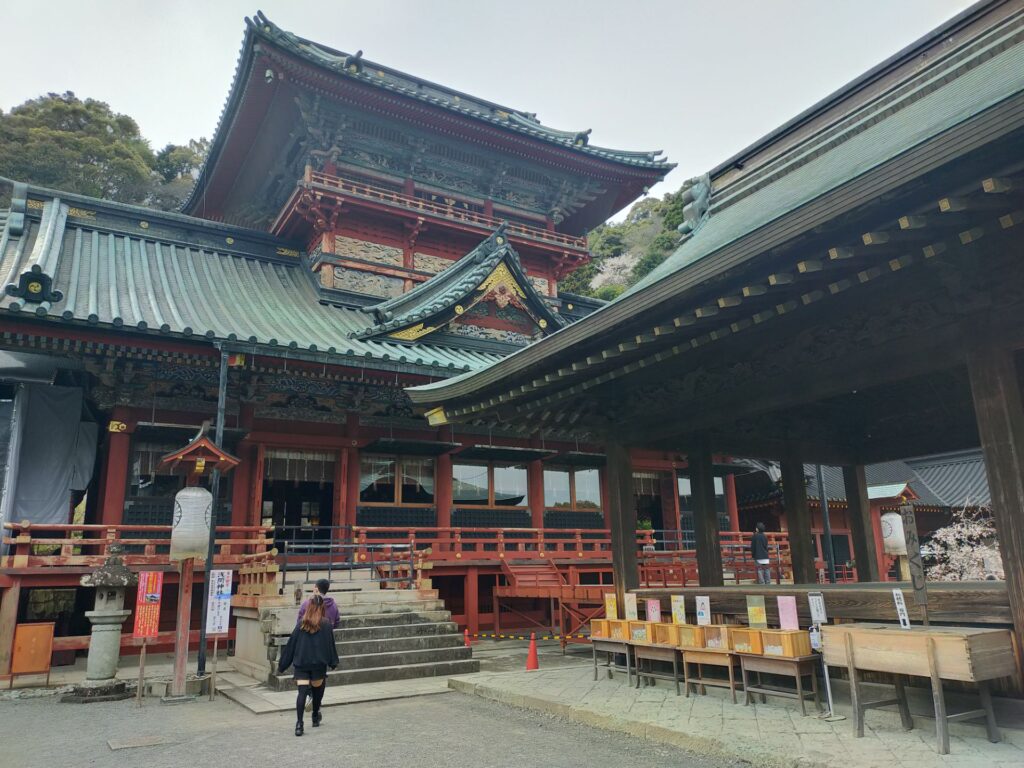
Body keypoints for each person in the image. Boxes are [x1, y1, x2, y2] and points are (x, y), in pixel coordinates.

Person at [278, 593, 339, 736]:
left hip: (302, 663)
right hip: (318, 664)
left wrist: (283, 665)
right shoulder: (326, 624)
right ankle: (315, 715)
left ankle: (299, 724)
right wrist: (333, 662)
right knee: (318, 691)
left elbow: (291, 645)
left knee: (302, 693)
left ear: (309, 607)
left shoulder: (301, 624)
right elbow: (330, 645)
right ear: (322, 608)